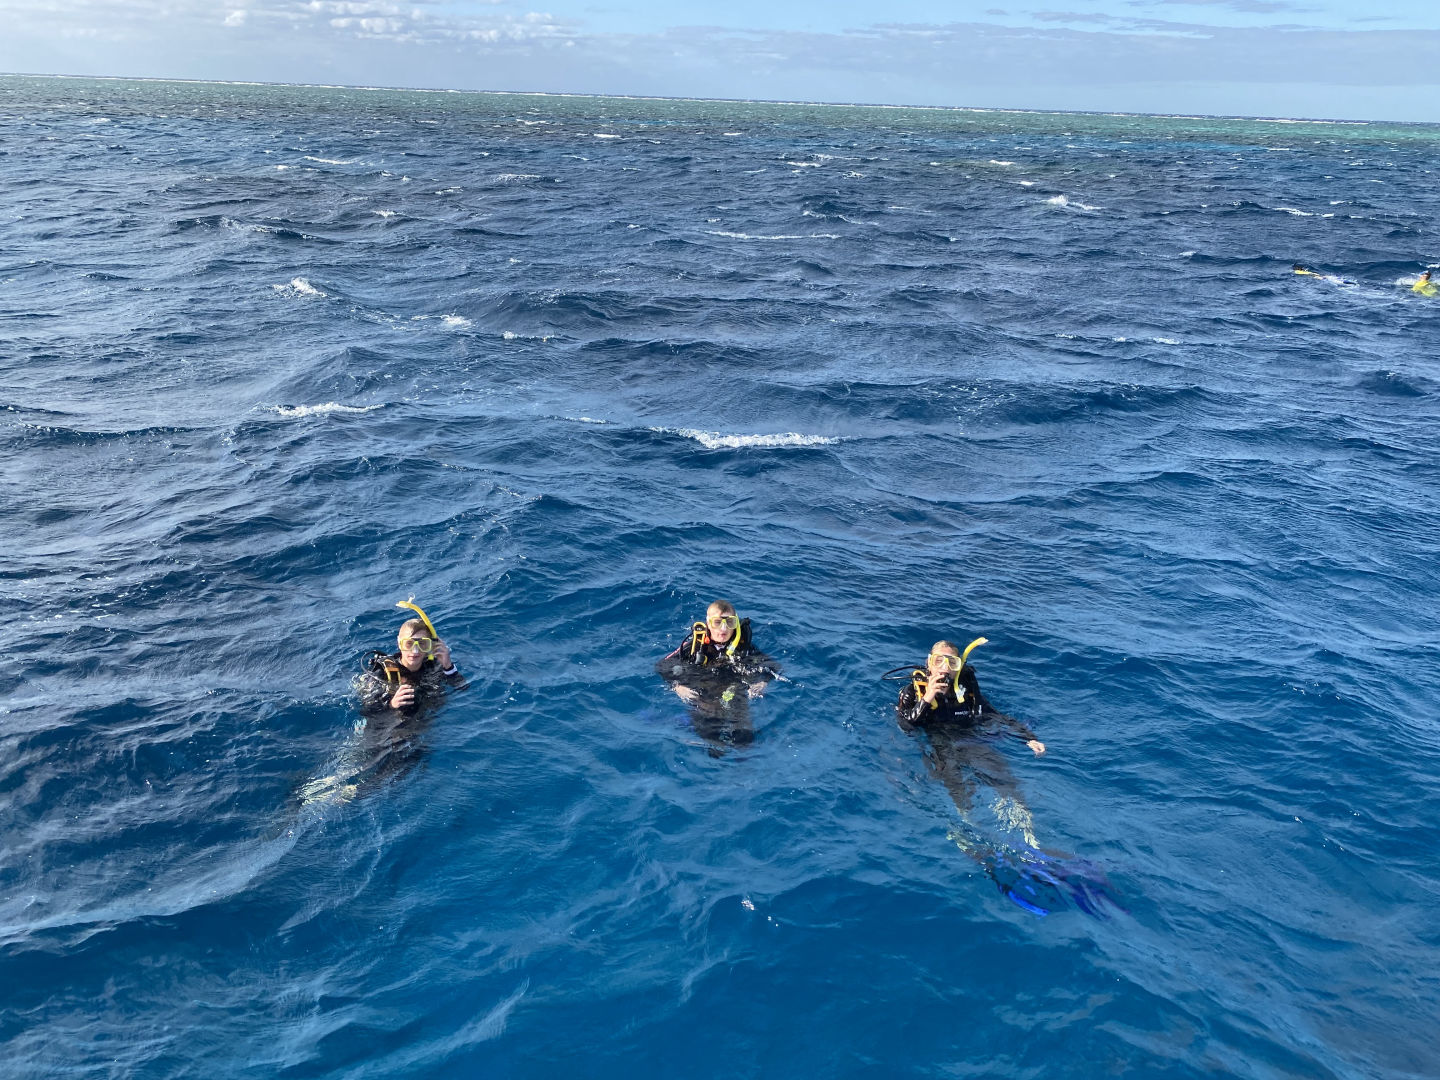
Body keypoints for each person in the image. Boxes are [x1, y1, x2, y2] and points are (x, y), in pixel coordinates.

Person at [896, 639, 1044, 842]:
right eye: (939, 661)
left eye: (952, 663)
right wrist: (928, 697)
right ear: (929, 662)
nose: (945, 668)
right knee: (955, 781)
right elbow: (906, 725)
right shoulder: (912, 692)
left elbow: (994, 715)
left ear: (959, 667)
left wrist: (1028, 738)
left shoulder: (967, 691)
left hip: (969, 737)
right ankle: (967, 824)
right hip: (940, 741)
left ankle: (1026, 826)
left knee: (1002, 775)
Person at [656, 600, 778, 753]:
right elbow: (662, 666)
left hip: (735, 688)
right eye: (717, 622)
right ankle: (683, 722)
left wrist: (762, 682)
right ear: (708, 623)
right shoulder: (695, 646)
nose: (723, 628)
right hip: (706, 690)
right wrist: (677, 686)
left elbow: (773, 666)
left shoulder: (744, 647)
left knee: (744, 741)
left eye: (730, 622)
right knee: (713, 742)